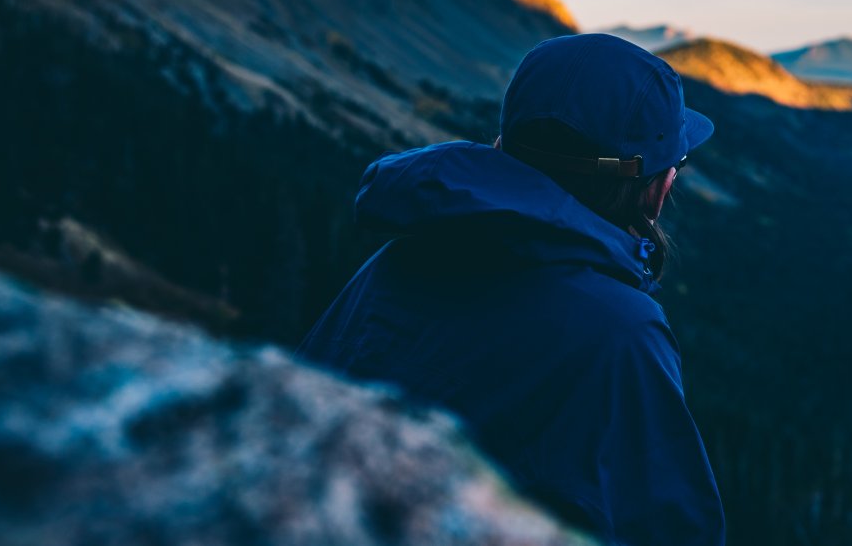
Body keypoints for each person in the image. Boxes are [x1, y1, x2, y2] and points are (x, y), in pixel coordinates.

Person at [296, 33, 726, 545]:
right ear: (657, 192)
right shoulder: (622, 331)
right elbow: (672, 531)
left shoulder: (399, 259)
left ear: (503, 148)